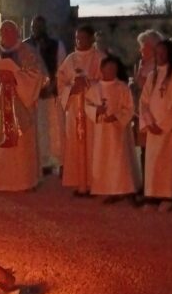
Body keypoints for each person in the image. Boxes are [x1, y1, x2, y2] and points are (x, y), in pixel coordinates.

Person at [0, 20, 44, 191]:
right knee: (2, 146)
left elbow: (37, 75)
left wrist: (15, 78)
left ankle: (24, 182)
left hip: (21, 106)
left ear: (16, 33)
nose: (5, 34)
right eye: (2, 31)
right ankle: (2, 182)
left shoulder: (28, 52)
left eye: (9, 31)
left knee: (22, 145)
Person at [139, 38, 172, 211]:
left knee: (170, 161)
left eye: (163, 52)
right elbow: (144, 101)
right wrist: (149, 122)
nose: (160, 55)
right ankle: (154, 193)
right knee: (154, 161)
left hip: (171, 128)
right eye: (157, 52)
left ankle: (170, 195)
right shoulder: (152, 76)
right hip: (154, 126)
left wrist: (165, 124)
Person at [85, 54, 141, 203]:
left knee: (120, 159)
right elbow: (87, 105)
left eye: (114, 68)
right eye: (108, 68)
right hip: (101, 132)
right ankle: (108, 189)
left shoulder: (122, 88)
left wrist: (116, 116)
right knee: (104, 159)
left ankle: (126, 189)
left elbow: (129, 108)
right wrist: (97, 111)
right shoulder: (95, 89)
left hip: (118, 131)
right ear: (102, 69)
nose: (111, 71)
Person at [57, 24, 105, 196]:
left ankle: (95, 182)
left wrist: (87, 84)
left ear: (92, 39)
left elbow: (106, 83)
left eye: (83, 38)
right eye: (77, 38)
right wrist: (72, 89)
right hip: (75, 110)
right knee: (76, 145)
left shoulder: (100, 58)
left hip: (92, 112)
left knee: (93, 145)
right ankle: (79, 181)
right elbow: (61, 83)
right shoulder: (70, 59)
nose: (79, 41)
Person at [24, 15, 66, 176]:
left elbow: (61, 67)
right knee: (37, 130)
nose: (36, 28)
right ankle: (41, 162)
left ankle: (60, 162)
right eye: (34, 25)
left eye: (39, 25)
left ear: (45, 27)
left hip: (52, 94)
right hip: (33, 96)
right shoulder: (25, 46)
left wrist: (53, 85)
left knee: (56, 129)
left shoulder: (57, 45)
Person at [129, 29, 162, 174]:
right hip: (140, 112)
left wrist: (140, 83)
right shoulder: (141, 64)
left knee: (153, 150)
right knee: (144, 149)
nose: (140, 49)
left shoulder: (158, 66)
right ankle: (146, 185)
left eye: (142, 45)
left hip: (154, 114)